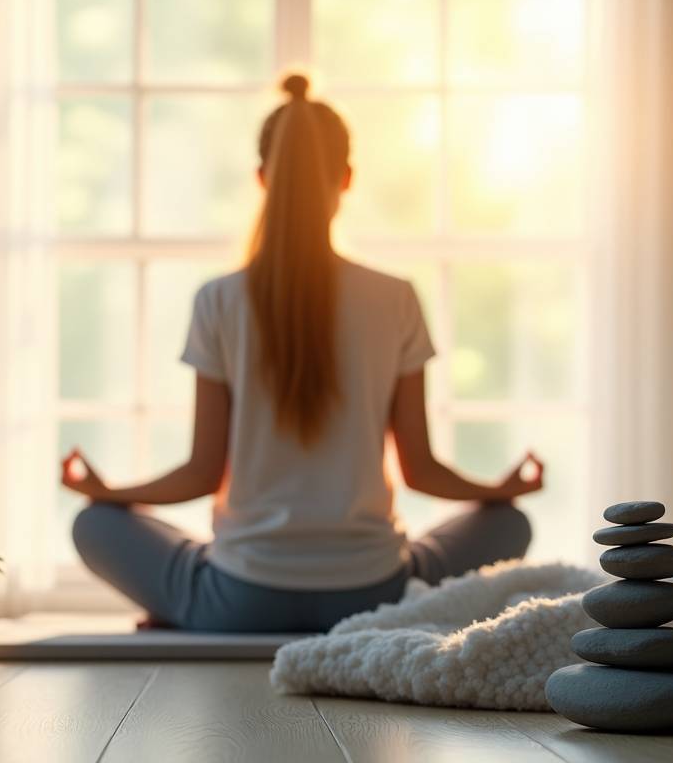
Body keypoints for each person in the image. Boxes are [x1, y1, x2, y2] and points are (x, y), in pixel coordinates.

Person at [63, 74, 543, 633]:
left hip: (238, 601)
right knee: (509, 525)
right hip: (375, 599)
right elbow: (421, 470)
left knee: (94, 525)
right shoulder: (395, 298)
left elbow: (199, 473)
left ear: (262, 179)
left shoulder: (218, 300)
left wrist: (108, 493)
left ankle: (189, 608)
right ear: (346, 179)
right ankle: (411, 599)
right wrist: (498, 491)